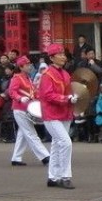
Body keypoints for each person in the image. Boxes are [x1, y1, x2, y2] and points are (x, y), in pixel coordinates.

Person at [39, 43, 78, 189]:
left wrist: (74, 98)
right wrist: (66, 99)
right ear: (51, 58)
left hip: (65, 113)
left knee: (57, 144)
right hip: (51, 114)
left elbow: (69, 91)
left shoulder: (66, 74)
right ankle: (65, 176)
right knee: (66, 143)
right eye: (60, 54)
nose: (63, 57)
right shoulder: (47, 75)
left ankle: (53, 177)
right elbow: (48, 95)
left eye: (63, 54)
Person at [8, 55, 51, 167]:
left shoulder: (28, 78)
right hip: (20, 109)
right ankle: (45, 156)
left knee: (23, 134)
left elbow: (34, 93)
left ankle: (16, 158)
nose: (30, 66)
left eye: (30, 64)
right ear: (21, 67)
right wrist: (20, 98)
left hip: (27, 109)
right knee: (31, 133)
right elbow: (12, 92)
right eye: (27, 65)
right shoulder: (17, 78)